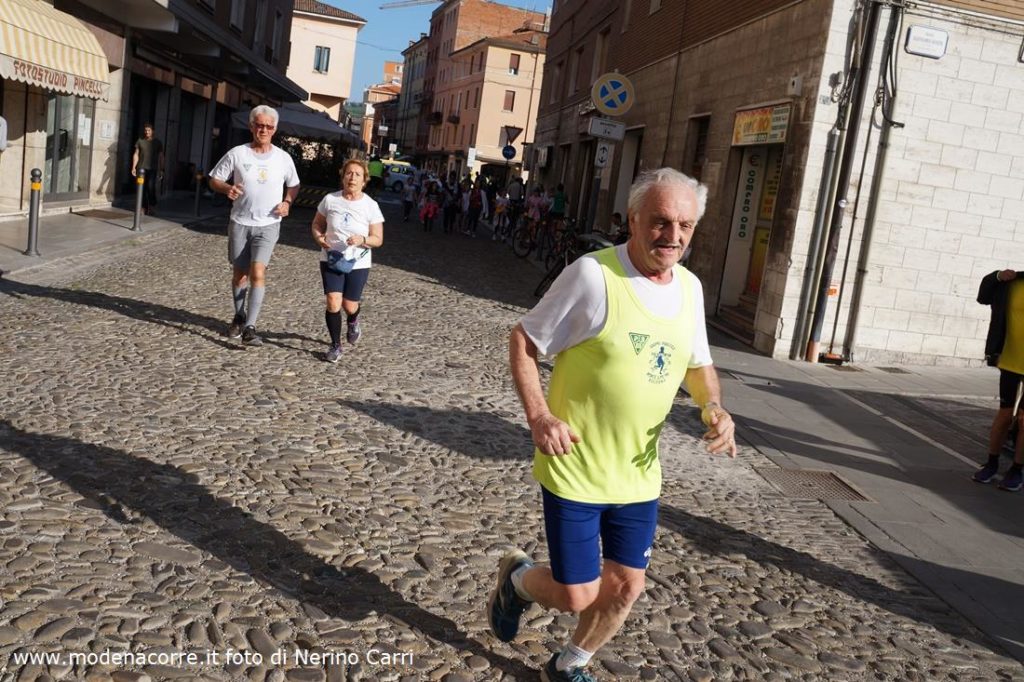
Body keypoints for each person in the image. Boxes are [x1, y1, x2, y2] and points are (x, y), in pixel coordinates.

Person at [489, 167, 737, 681]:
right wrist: (539, 415)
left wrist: (713, 406)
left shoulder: (689, 289)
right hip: (576, 467)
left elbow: (697, 364)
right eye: (661, 222)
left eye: (685, 226)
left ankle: (570, 662)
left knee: (626, 585)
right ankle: (516, 580)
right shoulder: (594, 276)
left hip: (638, 475)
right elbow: (524, 340)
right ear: (633, 219)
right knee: (576, 593)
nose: (673, 237)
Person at [208, 105, 300, 346]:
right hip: (240, 222)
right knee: (240, 275)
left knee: (258, 271)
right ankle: (239, 316)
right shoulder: (237, 154)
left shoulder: (283, 158)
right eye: (260, 125)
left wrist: (288, 202)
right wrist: (228, 188)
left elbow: (294, 184)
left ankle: (250, 326)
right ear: (252, 127)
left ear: (275, 129)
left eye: (269, 127)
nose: (264, 130)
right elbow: (214, 179)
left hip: (269, 224)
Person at [310, 158, 384, 363]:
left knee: (349, 305)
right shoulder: (330, 200)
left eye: (357, 175)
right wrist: (319, 237)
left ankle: (353, 319)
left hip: (357, 262)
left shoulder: (371, 205)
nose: (352, 177)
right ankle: (335, 345)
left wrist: (363, 239)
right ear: (343, 177)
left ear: (364, 181)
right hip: (331, 258)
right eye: (349, 173)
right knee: (333, 301)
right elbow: (316, 223)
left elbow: (378, 239)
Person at [972, 267, 1024, 491]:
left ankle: (1017, 470)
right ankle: (991, 463)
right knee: (1004, 414)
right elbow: (983, 297)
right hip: (1010, 359)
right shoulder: (1012, 282)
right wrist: (996, 276)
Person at [131, 122, 164, 216]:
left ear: (153, 131)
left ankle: (152, 206)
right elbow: (136, 154)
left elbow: (161, 156)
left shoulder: (157, 142)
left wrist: (162, 169)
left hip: (152, 169)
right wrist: (133, 167)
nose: (147, 132)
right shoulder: (140, 141)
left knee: (150, 187)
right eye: (145, 130)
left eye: (149, 130)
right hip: (141, 169)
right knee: (142, 188)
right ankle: (143, 207)